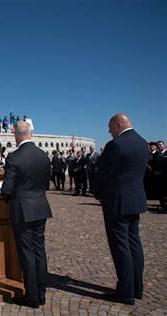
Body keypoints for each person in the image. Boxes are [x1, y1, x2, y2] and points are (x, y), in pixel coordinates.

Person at [94, 114, 149, 305]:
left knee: (120, 246)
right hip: (135, 200)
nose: (109, 132)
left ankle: (125, 292)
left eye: (111, 128)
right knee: (134, 243)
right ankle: (137, 288)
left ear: (118, 125)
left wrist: (98, 192)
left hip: (117, 202)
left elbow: (103, 173)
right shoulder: (142, 142)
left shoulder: (116, 145)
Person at [1, 121, 52, 308]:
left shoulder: (14, 157)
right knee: (40, 250)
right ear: (30, 133)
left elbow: (7, 190)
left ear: (16, 134)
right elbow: (46, 183)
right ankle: (41, 293)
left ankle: (31, 297)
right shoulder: (43, 155)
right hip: (40, 207)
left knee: (27, 254)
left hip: (22, 210)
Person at [151, 140, 166, 212]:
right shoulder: (156, 154)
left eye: (161, 145)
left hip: (165, 176)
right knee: (160, 192)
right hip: (158, 176)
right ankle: (162, 205)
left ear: (164, 145)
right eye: (158, 145)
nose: (160, 146)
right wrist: (155, 171)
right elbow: (153, 164)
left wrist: (162, 171)